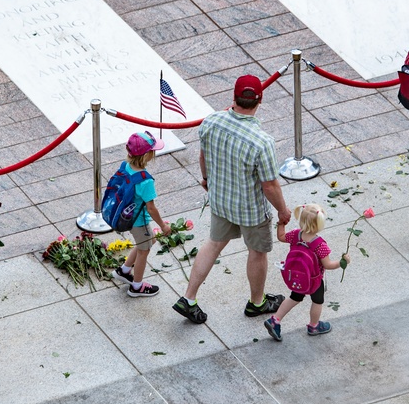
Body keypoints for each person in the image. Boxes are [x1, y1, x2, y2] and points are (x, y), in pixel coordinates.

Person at [173, 75, 292, 323]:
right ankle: (256, 303)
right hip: (250, 209)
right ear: (260, 99)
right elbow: (269, 185)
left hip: (220, 199)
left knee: (213, 244)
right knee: (257, 252)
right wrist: (282, 211)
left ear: (233, 96)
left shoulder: (211, 122)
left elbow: (203, 157)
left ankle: (189, 298)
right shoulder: (262, 142)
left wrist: (206, 181)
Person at [263, 204, 348, 341]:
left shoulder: (295, 235)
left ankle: (275, 320)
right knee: (317, 301)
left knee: (294, 297)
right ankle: (314, 326)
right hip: (314, 279)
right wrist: (342, 262)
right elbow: (328, 265)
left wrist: (281, 223)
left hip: (298, 277)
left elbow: (281, 236)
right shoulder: (320, 245)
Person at [111, 131, 171, 297]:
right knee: (145, 250)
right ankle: (137, 287)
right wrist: (163, 226)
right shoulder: (145, 180)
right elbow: (151, 208)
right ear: (147, 155)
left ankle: (124, 271)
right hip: (139, 221)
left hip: (127, 216)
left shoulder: (126, 166)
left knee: (146, 241)